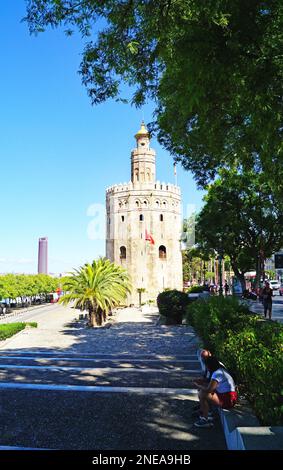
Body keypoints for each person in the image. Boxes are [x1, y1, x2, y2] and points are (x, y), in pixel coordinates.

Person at [193, 356, 238, 428]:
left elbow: (209, 390)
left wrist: (197, 385)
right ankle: (207, 411)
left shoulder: (217, 374)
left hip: (228, 400)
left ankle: (205, 419)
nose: (206, 367)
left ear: (209, 365)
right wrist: (202, 382)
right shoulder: (220, 370)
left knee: (202, 393)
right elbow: (211, 384)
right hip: (229, 397)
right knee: (203, 390)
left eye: (206, 365)